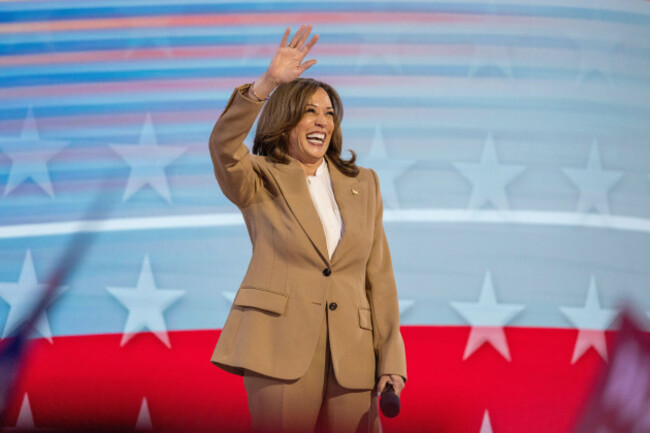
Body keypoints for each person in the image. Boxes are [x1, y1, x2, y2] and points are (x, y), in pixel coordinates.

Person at [208, 25, 407, 433]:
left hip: (353, 358)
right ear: (286, 119)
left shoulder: (363, 183)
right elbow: (224, 147)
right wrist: (265, 84)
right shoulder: (260, 176)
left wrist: (391, 360)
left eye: (330, 113)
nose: (323, 122)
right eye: (310, 111)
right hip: (279, 348)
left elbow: (379, 278)